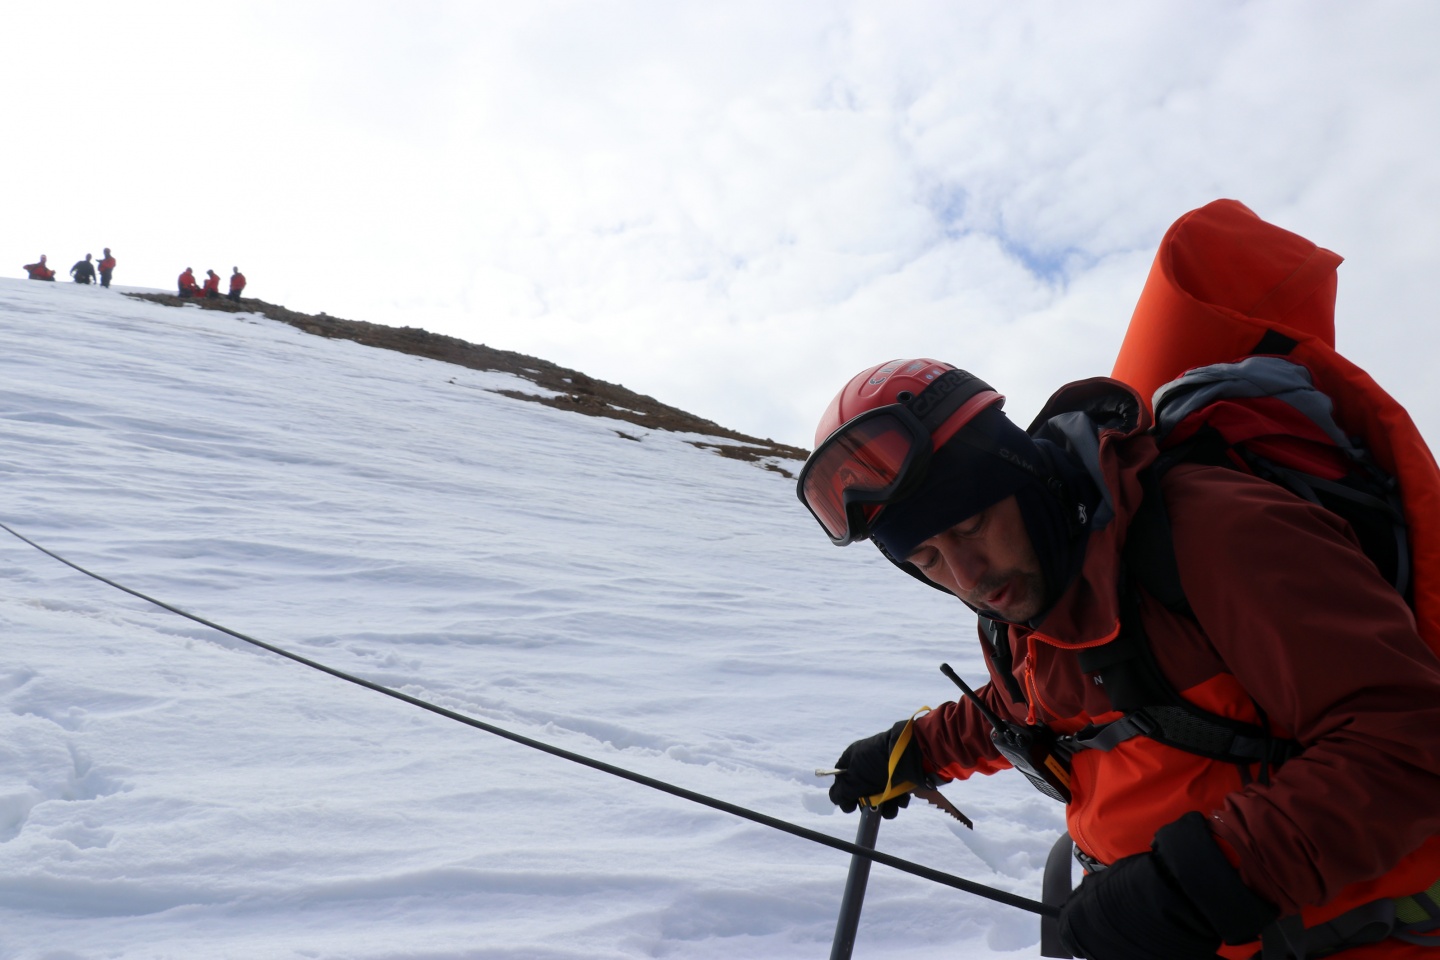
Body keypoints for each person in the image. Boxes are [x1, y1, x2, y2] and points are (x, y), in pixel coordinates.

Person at [801, 206, 1440, 960]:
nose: (969, 577)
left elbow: (1407, 735)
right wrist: (913, 748)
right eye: (929, 559)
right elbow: (1036, 709)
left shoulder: (1213, 532)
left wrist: (1203, 879)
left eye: (971, 526)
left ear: (1021, 472)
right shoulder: (1028, 599)